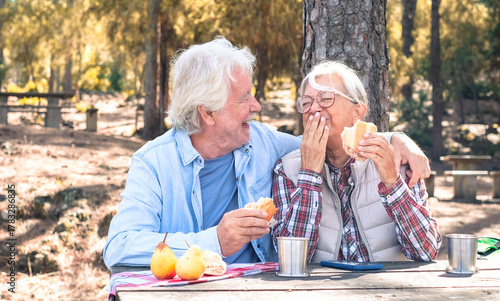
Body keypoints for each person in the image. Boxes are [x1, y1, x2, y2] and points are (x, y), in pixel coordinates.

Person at [103, 37, 431, 271]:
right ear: (208, 113)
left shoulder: (263, 143)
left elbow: (329, 143)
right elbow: (119, 247)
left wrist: (396, 139)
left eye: (253, 94)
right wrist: (213, 241)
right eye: (244, 98)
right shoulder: (153, 163)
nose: (256, 107)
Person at [272, 61, 442, 263]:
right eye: (306, 102)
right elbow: (291, 261)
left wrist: (392, 182)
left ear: (357, 112)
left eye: (326, 98)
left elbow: (426, 251)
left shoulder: (398, 160)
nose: (314, 109)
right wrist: (309, 174)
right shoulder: (287, 170)